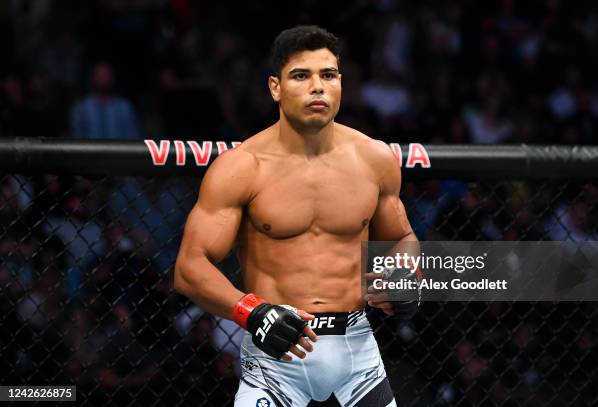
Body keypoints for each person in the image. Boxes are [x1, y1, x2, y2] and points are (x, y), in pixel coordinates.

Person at [174, 25, 419, 407]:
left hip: (357, 355)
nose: (317, 87)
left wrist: (403, 274)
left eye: (328, 75)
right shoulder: (242, 167)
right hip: (275, 357)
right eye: (301, 75)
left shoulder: (375, 159)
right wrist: (251, 312)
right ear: (275, 87)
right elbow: (189, 267)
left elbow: (403, 237)